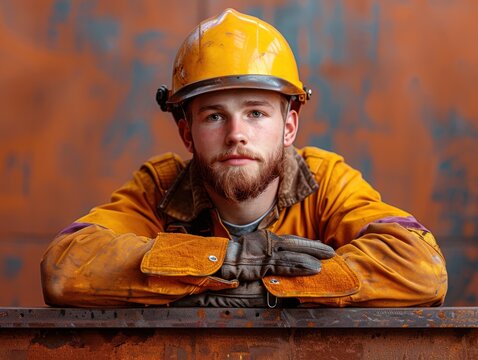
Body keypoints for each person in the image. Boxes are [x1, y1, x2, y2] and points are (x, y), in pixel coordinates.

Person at [41, 8, 447, 308]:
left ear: (289, 126)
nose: (236, 134)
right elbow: (65, 268)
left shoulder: (325, 182)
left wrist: (273, 282)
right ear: (187, 132)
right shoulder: (160, 188)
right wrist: (228, 262)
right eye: (215, 116)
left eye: (256, 112)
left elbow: (422, 268)